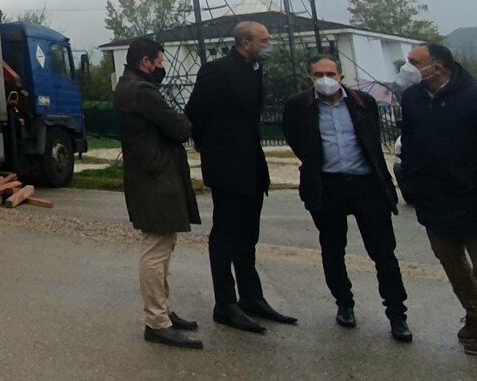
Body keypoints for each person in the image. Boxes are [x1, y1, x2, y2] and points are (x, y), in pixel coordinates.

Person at [396, 42, 477, 356]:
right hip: (434, 201)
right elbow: (409, 144)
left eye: (414, 62)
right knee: (452, 263)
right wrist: (413, 183)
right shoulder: (413, 98)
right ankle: (475, 315)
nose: (407, 68)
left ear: (437, 68)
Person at [283, 54, 412, 341]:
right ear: (310, 78)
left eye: (330, 74)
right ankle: (344, 303)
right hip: (327, 186)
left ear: (341, 76)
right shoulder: (298, 106)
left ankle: (397, 314)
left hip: (367, 185)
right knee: (332, 249)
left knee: (383, 253)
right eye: (318, 75)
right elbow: (295, 139)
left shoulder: (362, 102)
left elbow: (371, 138)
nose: (325, 80)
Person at [186, 21, 295, 332]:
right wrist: (211, 146)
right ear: (245, 43)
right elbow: (195, 113)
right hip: (226, 165)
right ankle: (225, 303)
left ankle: (251, 298)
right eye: (264, 40)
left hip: (252, 165)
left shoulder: (254, 70)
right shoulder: (217, 70)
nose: (268, 44)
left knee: (248, 235)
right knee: (226, 235)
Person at [115, 38, 203, 349]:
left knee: (164, 244)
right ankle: (156, 321)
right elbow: (179, 127)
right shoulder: (141, 90)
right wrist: (185, 122)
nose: (162, 67)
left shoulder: (129, 86)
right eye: (159, 62)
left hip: (151, 174)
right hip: (155, 176)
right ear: (145, 62)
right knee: (156, 248)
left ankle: (162, 309)